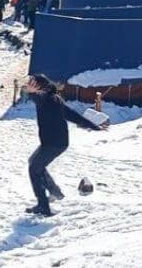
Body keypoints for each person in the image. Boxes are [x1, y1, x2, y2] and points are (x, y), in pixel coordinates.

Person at [25, 74, 105, 216]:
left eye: (31, 83)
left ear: (39, 86)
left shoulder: (46, 98)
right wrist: (93, 126)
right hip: (55, 142)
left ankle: (44, 206)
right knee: (35, 163)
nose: (28, 85)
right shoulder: (54, 98)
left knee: (34, 169)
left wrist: (31, 93)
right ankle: (55, 192)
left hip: (54, 144)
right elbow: (72, 115)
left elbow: (39, 98)